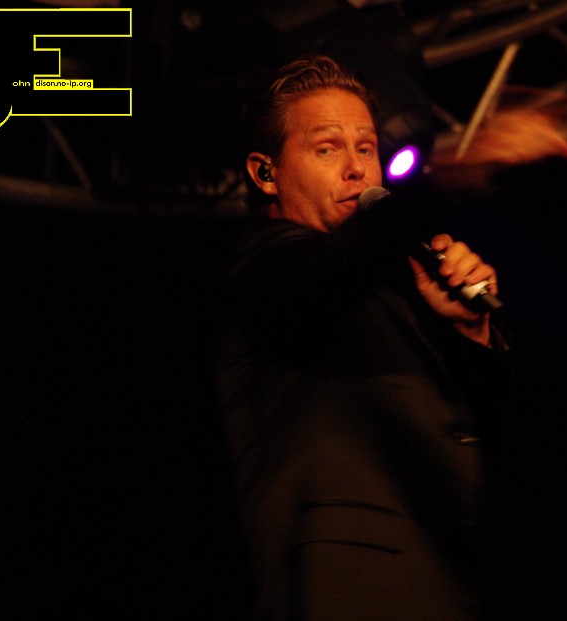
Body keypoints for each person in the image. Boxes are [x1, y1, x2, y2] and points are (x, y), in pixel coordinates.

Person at [213, 55, 514, 621]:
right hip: (348, 590)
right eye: (327, 149)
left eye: (366, 148)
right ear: (266, 172)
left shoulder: (395, 288)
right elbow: (327, 275)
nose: (356, 168)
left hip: (445, 585)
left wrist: (470, 330)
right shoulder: (266, 268)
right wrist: (451, 174)